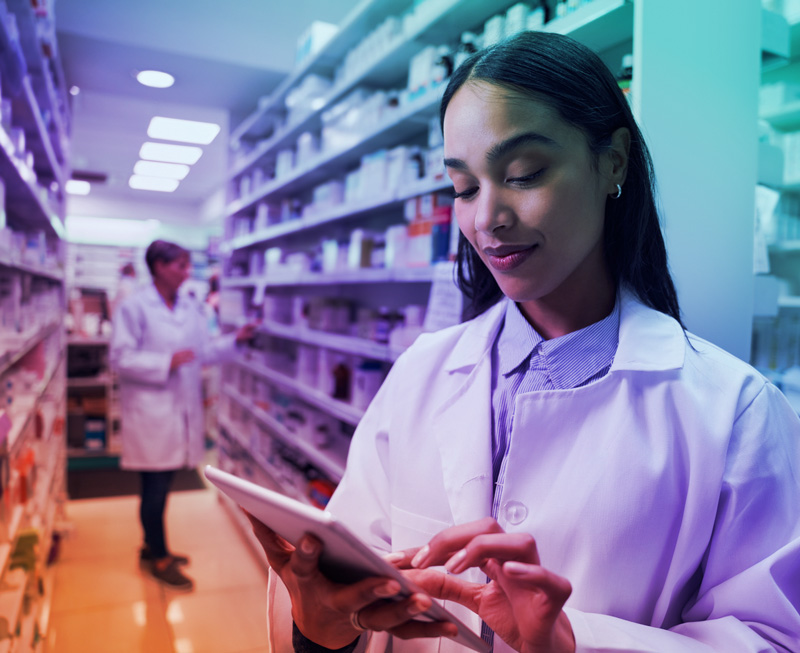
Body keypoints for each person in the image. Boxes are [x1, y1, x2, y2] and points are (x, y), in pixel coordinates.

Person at [247, 31, 800, 652]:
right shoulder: (423, 372)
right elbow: (354, 575)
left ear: (612, 161)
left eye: (524, 173)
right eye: (463, 187)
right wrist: (323, 630)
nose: (486, 218)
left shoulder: (734, 412)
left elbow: (770, 638)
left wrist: (570, 646)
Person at [110, 239, 256, 590]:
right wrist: (165, 362)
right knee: (155, 491)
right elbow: (119, 358)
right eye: (180, 265)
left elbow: (202, 352)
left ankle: (152, 548)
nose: (187, 272)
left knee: (161, 488)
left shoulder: (190, 307)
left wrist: (237, 339)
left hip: (179, 411)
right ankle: (158, 557)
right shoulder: (134, 307)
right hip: (151, 414)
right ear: (159, 266)